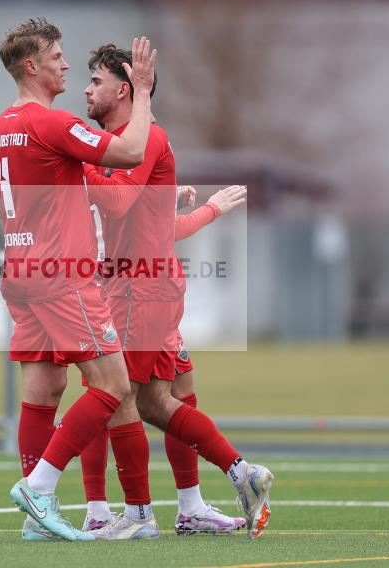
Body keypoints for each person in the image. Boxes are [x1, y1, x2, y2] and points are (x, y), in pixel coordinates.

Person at [77, 44, 273, 540]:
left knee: (116, 395)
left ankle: (134, 514)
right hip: (141, 287)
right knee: (160, 399)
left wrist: (77, 160)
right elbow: (155, 226)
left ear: (124, 90)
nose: (86, 89)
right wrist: (204, 209)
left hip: (137, 292)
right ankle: (225, 484)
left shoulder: (140, 141)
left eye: (96, 81)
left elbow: (118, 204)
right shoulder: (123, 144)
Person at [0, 18, 156, 542]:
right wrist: (143, 91)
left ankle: (37, 520)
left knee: (44, 389)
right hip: (63, 275)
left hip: (21, 271)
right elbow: (131, 152)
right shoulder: (52, 123)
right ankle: (38, 488)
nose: (65, 64)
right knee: (113, 385)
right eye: (57, 56)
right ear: (31, 66)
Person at [79, 184, 249, 536]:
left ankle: (191, 506)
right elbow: (150, 225)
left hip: (154, 294)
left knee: (178, 390)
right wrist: (211, 209)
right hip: (119, 292)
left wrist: (164, 196)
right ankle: (98, 510)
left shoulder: (119, 165)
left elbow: (140, 216)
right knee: (108, 396)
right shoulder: (104, 163)